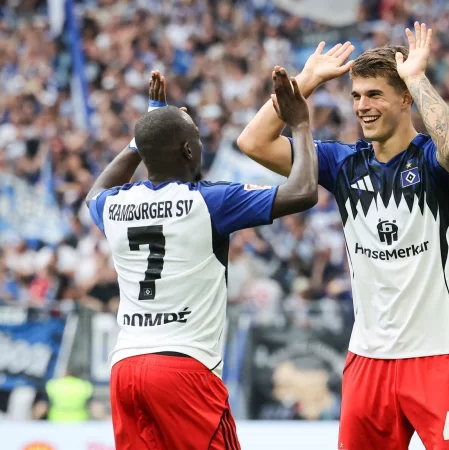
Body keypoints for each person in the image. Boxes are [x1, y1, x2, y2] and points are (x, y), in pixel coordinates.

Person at [238, 24, 449, 450]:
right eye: (356, 96)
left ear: (405, 98)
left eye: (374, 95)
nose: (362, 107)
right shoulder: (342, 163)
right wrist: (308, 81)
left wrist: (417, 77)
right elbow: (254, 142)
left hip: (439, 356)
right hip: (368, 360)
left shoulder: (432, 162)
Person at [86, 69, 318, 450]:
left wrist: (142, 135)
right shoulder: (209, 201)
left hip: (125, 369)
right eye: (196, 135)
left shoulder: (113, 205)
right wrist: (301, 124)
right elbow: (305, 191)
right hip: (183, 369)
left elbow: (97, 188)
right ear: (190, 150)